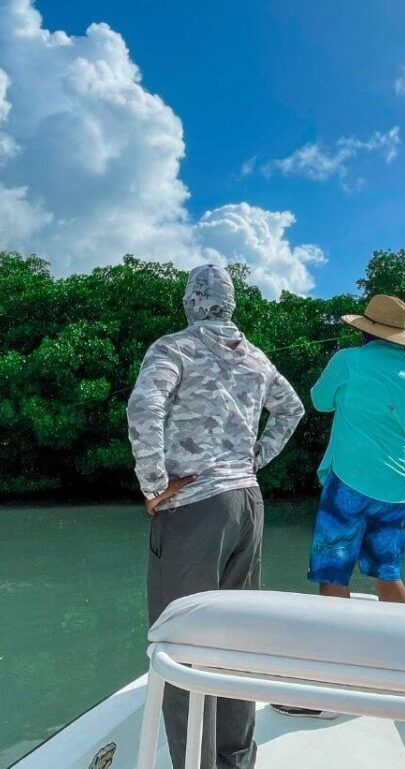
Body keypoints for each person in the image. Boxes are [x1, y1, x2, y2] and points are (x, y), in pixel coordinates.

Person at [126, 264, 305, 769]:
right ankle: (235, 760)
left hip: (193, 506)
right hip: (248, 503)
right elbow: (291, 410)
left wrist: (154, 485)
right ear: (230, 304)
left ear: (191, 301)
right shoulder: (256, 356)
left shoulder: (173, 348)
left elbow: (144, 408)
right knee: (235, 638)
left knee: (182, 642)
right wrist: (254, 460)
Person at [305, 294, 405, 604]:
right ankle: (402, 632)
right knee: (387, 573)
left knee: (332, 572)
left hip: (348, 481)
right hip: (396, 489)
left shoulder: (347, 360)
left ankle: (337, 635)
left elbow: (320, 401)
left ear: (364, 331)